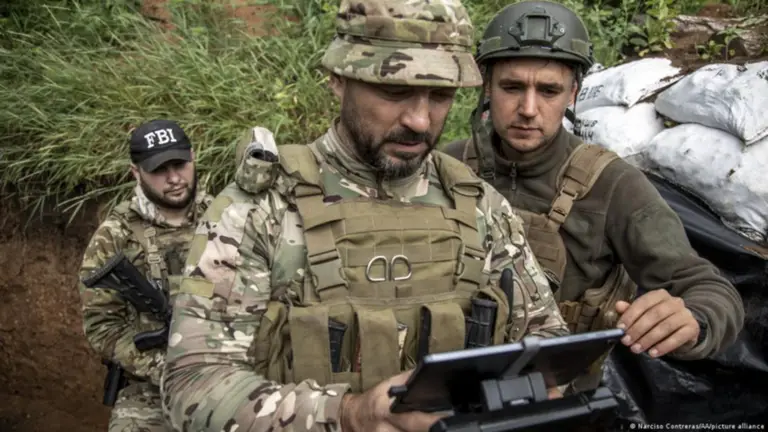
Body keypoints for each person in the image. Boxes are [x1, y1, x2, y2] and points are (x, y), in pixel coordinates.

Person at [160, 1, 571, 431]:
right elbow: (193, 385)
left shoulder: (479, 205)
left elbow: (547, 339)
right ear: (338, 80)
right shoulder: (260, 210)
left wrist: (525, 392)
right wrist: (349, 414)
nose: (420, 120)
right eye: (394, 91)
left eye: (441, 96)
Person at [442, 0, 745, 392]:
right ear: (487, 87)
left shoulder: (613, 185)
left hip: (554, 397)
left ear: (573, 94)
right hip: (443, 384)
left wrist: (693, 319)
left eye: (548, 90)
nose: (528, 109)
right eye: (512, 87)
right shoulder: (447, 166)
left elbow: (711, 290)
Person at [77, 119, 213, 431]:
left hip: (230, 374)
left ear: (193, 157)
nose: (174, 178)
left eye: (180, 164)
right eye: (159, 170)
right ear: (135, 172)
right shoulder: (115, 236)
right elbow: (102, 327)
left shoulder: (227, 217)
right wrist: (161, 367)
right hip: (151, 388)